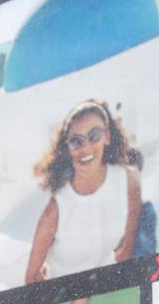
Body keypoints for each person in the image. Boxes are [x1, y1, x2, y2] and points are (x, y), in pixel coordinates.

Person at [24, 100, 143, 285]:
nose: (85, 147)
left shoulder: (129, 181)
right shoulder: (56, 210)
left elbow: (126, 251)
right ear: (67, 148)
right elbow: (31, 278)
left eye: (94, 135)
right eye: (76, 141)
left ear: (108, 136)